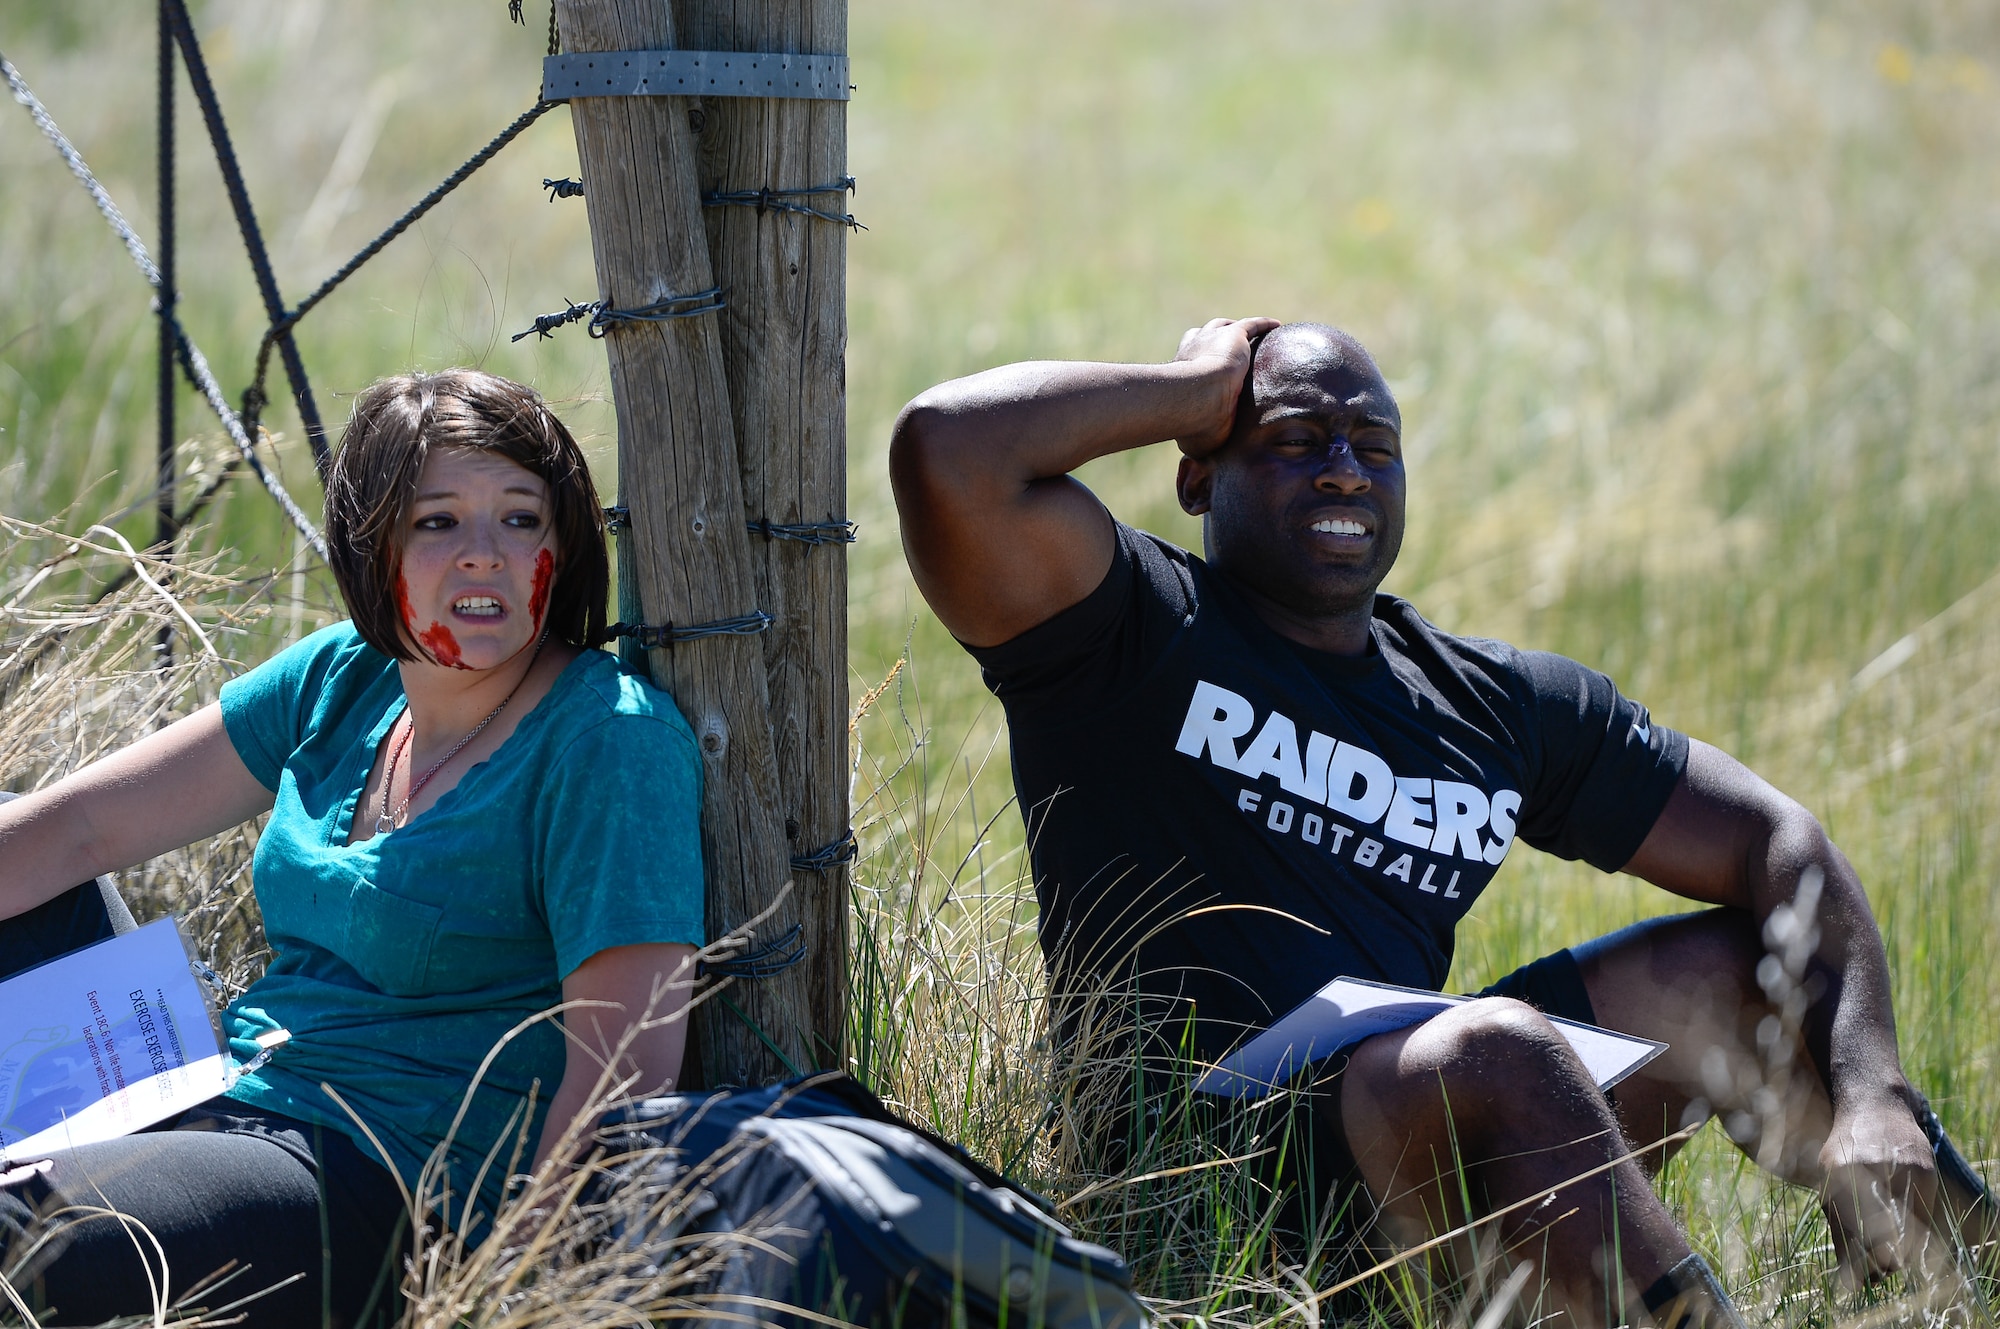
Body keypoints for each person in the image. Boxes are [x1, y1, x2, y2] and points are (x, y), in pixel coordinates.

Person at [888, 318, 1995, 1325]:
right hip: (1194, 1170)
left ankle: (1955, 1277)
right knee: (1498, 1044)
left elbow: (1773, 842)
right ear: (1196, 473)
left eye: (1373, 444)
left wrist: (1869, 1091)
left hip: (1415, 1136)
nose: (1340, 468)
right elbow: (946, 452)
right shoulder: (1125, 629)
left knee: (1744, 971)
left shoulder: (1484, 701)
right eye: (1293, 439)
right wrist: (1198, 385)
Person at [0, 370, 705, 1327]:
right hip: (226, 1090)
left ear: (564, 541)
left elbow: (619, 1082)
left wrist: (501, 1306)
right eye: (438, 523)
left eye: (520, 519)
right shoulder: (347, 674)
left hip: (381, 1186)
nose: (484, 557)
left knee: (16, 1233)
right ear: (374, 546)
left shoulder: (610, 741)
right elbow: (81, 827)